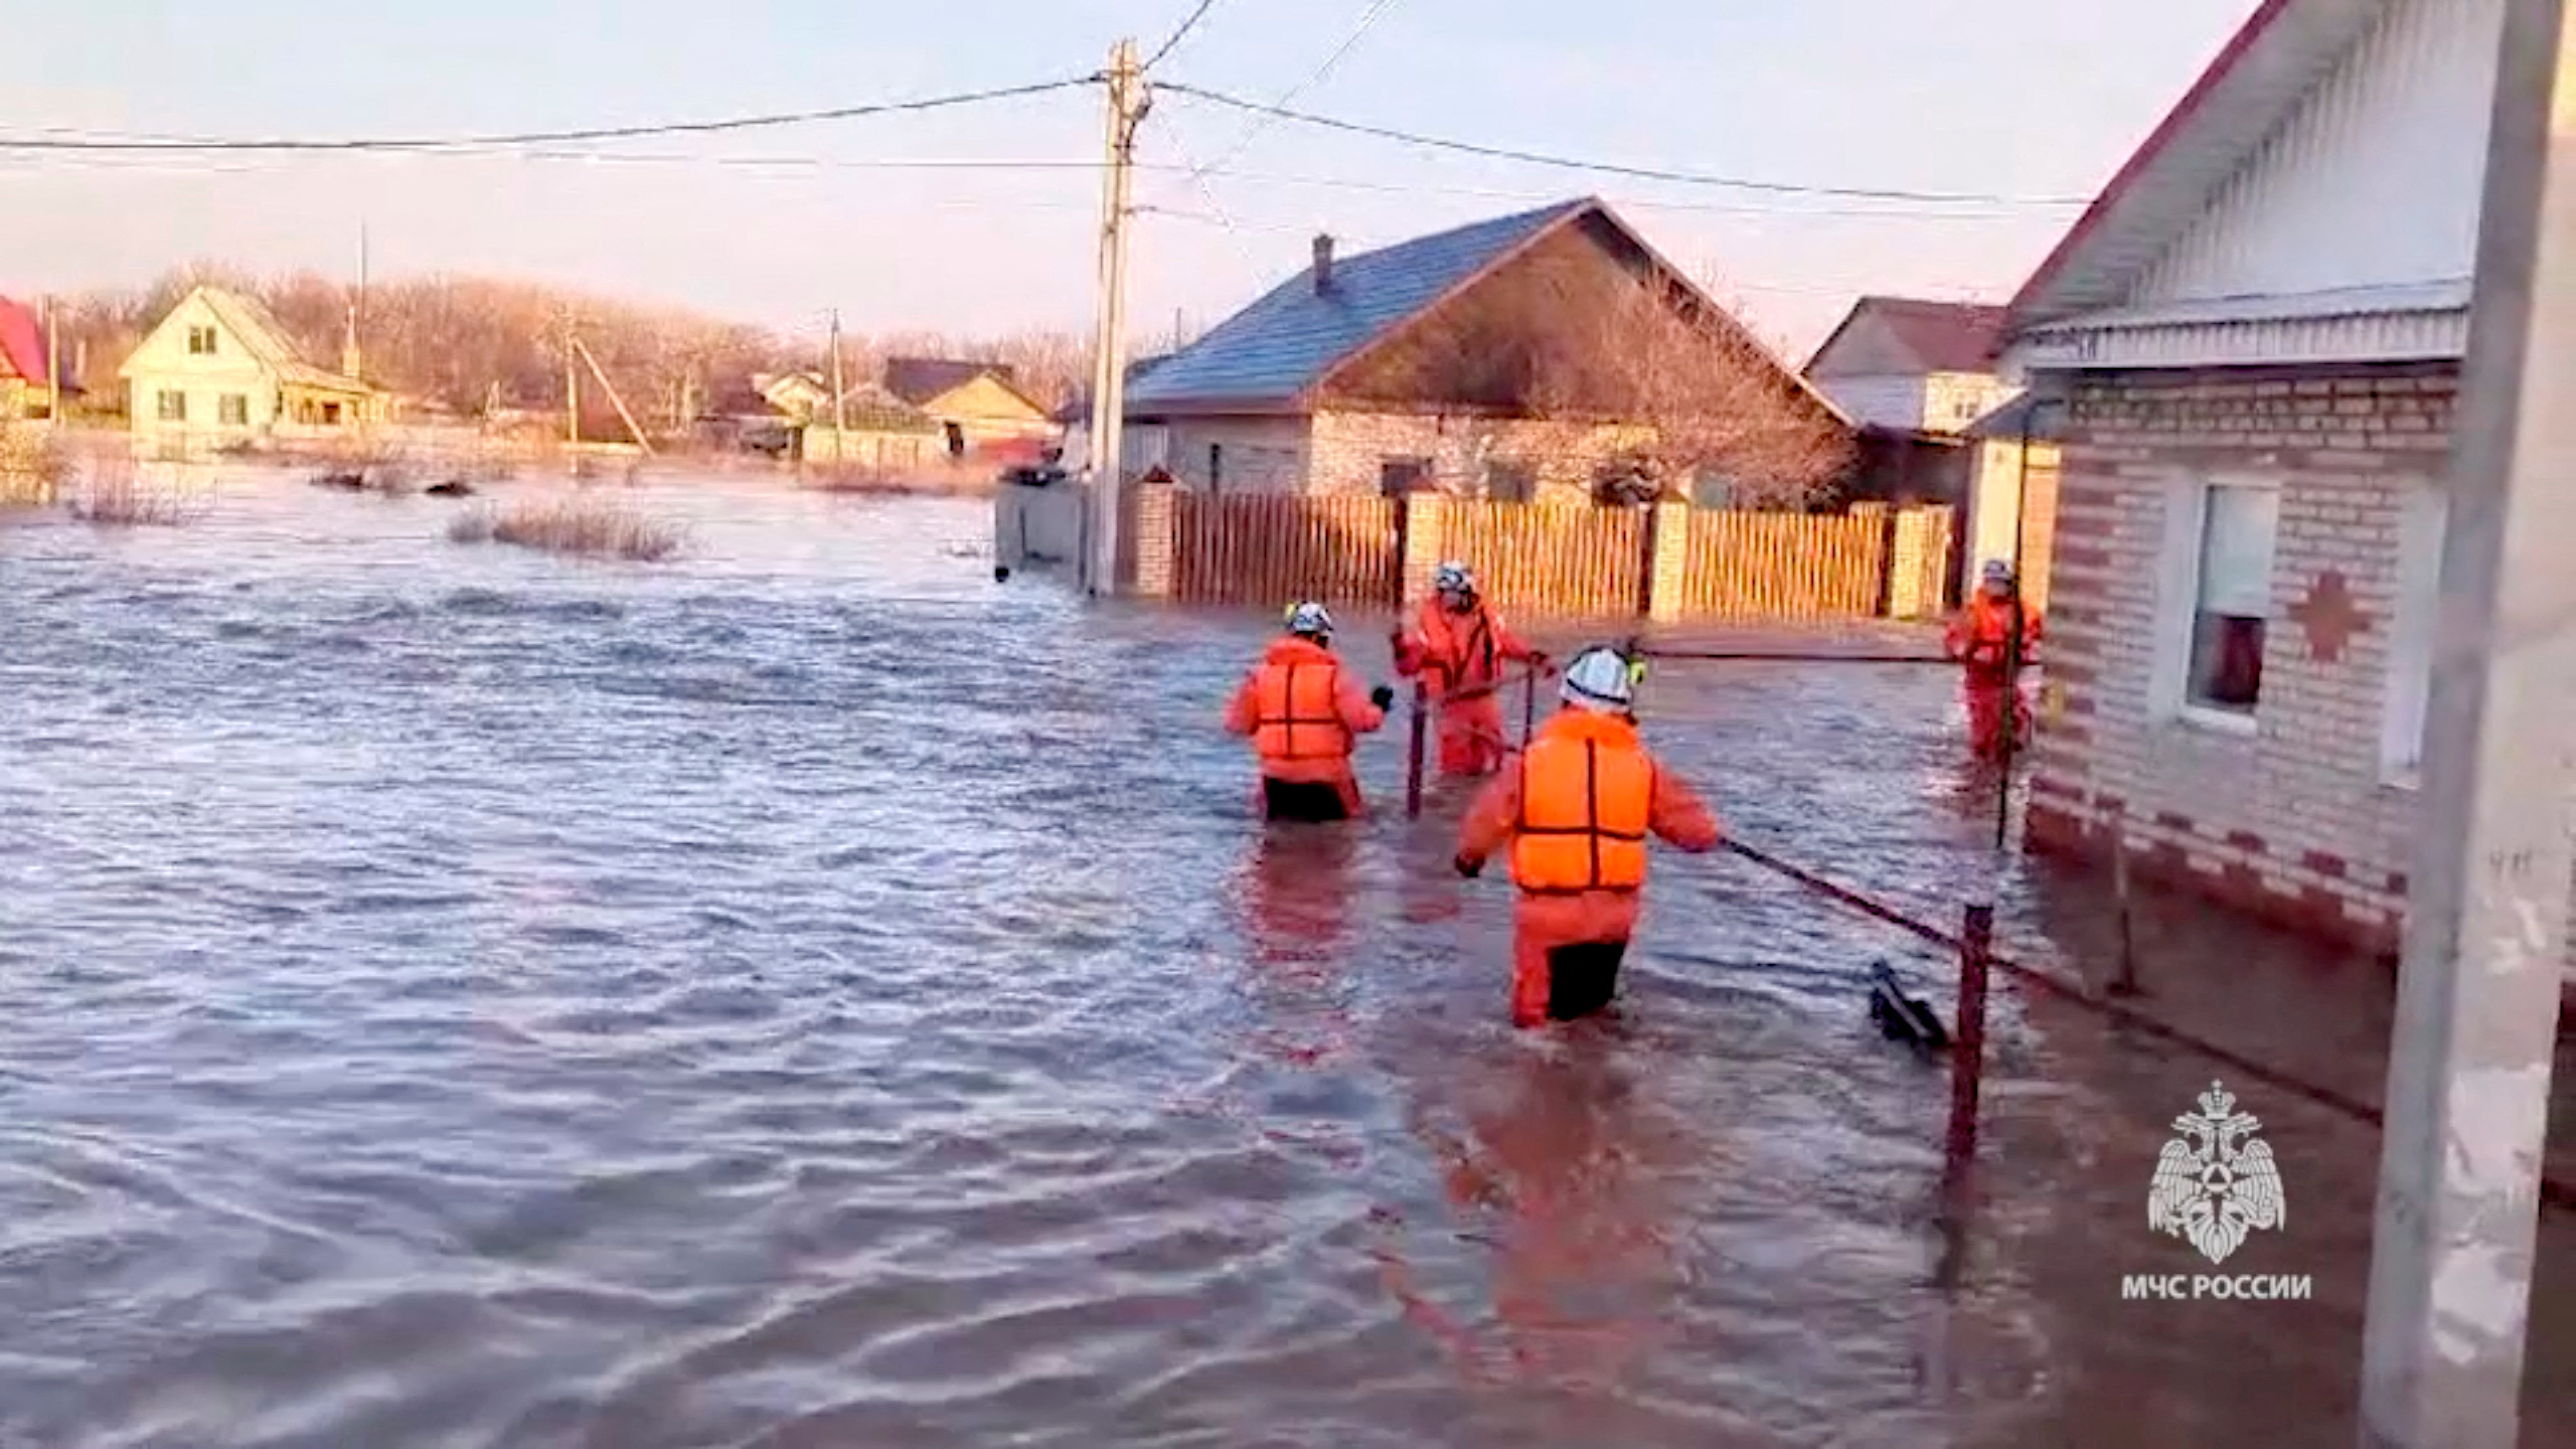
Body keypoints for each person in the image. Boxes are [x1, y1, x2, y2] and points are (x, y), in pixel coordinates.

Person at [1453, 647, 1722, 1028]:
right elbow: (1700, 835)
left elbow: (1485, 825)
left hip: (1550, 918)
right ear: (1624, 709)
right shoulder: (1645, 768)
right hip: (1615, 920)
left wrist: (1469, 859)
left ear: (1566, 700)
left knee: (1537, 1028)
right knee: (1594, 1016)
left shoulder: (1531, 764)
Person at [1226, 601, 1396, 823]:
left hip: (1276, 781)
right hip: (1328, 779)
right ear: (1319, 638)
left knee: (1278, 839)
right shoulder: (1335, 677)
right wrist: (1379, 706)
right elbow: (1363, 722)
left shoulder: (1259, 677)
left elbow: (1237, 725)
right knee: (1344, 836)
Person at [1393, 561, 1546, 778]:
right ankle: (1457, 798)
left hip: (1484, 696)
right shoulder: (1426, 620)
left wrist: (1532, 657)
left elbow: (1504, 641)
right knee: (1456, 766)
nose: (1448, 598)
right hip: (1451, 702)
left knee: (1496, 756)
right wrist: (1401, 652)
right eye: (1444, 592)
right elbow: (1410, 665)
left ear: (1468, 592)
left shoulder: (1485, 614)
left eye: (1453, 592)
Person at [1944, 559, 2044, 761]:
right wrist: (1965, 652)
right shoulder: (1975, 611)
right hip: (1982, 678)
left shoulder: (2023, 610)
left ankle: (2011, 751)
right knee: (1985, 723)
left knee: (2016, 718)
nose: (1996, 586)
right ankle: (1984, 761)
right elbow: (1955, 641)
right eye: (1992, 582)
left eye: (2001, 582)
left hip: (2009, 675)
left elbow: (2039, 631)